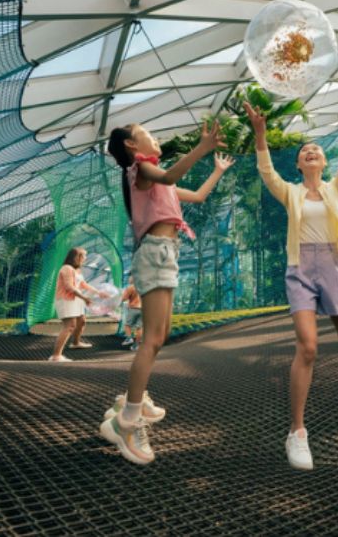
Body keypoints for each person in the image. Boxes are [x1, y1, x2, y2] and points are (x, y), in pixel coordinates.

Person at [245, 91, 338, 471]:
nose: (311, 151)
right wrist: (260, 133)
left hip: (334, 266)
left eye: (317, 149)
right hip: (301, 269)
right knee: (307, 348)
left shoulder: (334, 187)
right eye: (305, 149)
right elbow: (266, 172)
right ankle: (297, 431)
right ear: (298, 162)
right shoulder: (289, 192)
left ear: (323, 162)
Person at [100, 121, 227, 464]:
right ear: (131, 145)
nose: (157, 137)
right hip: (155, 252)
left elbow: (197, 195)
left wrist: (216, 169)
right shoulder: (140, 170)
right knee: (152, 339)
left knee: (160, 335)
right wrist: (202, 148)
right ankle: (128, 420)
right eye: (149, 132)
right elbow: (169, 177)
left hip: (166, 253)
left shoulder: (158, 181)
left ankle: (129, 402)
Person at [50, 247, 107, 362]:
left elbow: (83, 284)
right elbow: (69, 287)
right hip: (66, 300)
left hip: (76, 299)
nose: (85, 258)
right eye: (84, 256)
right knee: (70, 326)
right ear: (77, 257)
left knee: (82, 321)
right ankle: (56, 356)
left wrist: (98, 292)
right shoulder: (66, 268)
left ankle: (76, 343)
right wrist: (84, 297)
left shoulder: (77, 270)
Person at [120, 276, 141, 349]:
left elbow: (124, 298)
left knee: (127, 325)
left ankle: (129, 338)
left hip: (134, 308)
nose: (128, 279)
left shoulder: (131, 287)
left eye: (130, 278)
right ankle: (136, 345)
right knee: (139, 328)